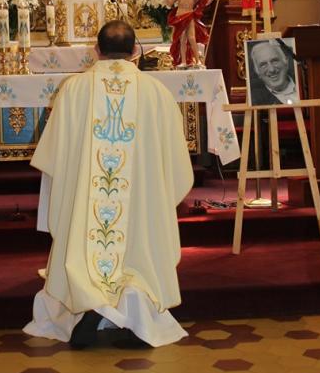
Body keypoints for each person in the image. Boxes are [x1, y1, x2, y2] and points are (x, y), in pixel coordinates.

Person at [23, 20, 194, 348]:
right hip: (139, 205)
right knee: (139, 250)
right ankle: (138, 317)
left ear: (97, 50)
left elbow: (54, 157)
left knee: (85, 244)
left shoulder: (74, 89)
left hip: (88, 204)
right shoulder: (157, 92)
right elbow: (176, 163)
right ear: (134, 51)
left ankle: (90, 306)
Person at [163, 0, 219, 68]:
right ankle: (183, 61)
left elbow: (207, 1)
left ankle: (198, 61)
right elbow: (169, 3)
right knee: (182, 39)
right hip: (180, 18)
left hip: (189, 16)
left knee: (192, 38)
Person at [248, 39, 299, 106]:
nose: (271, 70)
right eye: (263, 65)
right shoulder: (255, 100)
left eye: (275, 61)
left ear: (286, 62)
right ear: (257, 71)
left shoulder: (304, 84)